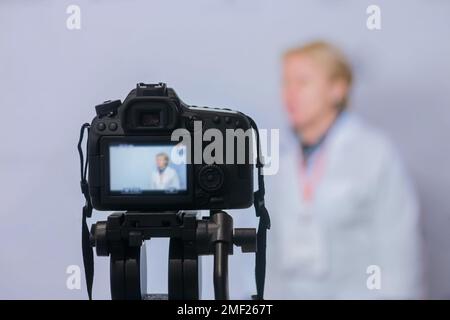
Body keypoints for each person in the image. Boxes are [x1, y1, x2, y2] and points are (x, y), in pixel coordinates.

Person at [265, 41, 424, 299]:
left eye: (303, 83)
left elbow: (400, 258)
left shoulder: (375, 153)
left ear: (337, 89)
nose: (290, 94)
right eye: (285, 83)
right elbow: (269, 255)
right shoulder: (279, 156)